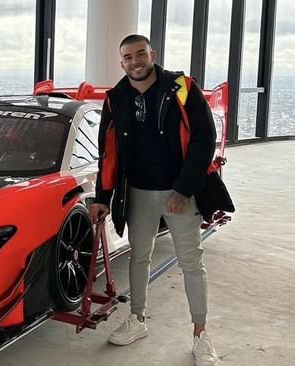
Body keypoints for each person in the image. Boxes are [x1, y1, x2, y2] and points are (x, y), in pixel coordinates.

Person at [88, 34, 221, 366]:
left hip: (180, 192)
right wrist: (102, 196)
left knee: (192, 262)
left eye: (140, 54)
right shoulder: (115, 98)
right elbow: (108, 151)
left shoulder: (181, 87)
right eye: (128, 57)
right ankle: (138, 319)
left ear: (152, 54)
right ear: (122, 63)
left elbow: (205, 140)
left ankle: (200, 335)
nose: (135, 61)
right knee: (139, 258)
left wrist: (184, 189)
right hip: (138, 192)